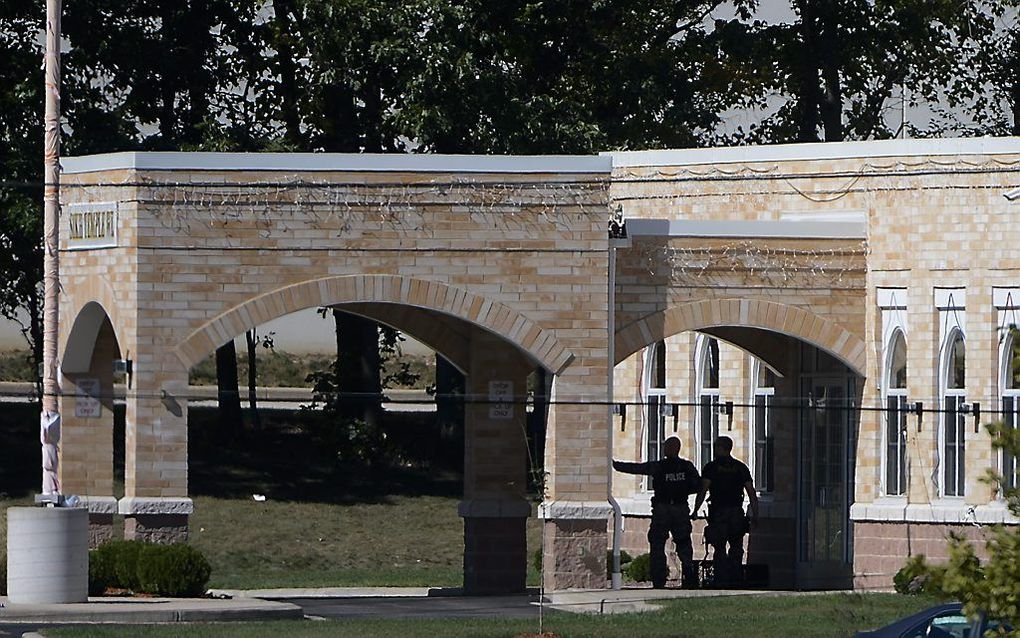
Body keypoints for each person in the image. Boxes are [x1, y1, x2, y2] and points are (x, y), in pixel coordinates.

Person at [613, 436, 701, 589]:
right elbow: (697, 485)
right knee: (683, 543)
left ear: (673, 448)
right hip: (680, 508)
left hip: (663, 509)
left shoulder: (660, 467)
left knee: (658, 543)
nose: (664, 449)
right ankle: (689, 577)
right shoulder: (687, 467)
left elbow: (637, 468)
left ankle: (659, 579)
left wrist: (616, 465)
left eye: (666, 446)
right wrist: (683, 490)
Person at [693, 436, 759, 587]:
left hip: (719, 513)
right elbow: (751, 493)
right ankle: (735, 578)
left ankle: (721, 579)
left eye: (716, 446)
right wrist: (756, 515)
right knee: (736, 546)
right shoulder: (741, 468)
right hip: (736, 512)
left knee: (719, 547)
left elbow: (703, 490)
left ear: (721, 448)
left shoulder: (711, 467)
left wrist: (695, 510)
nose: (714, 449)